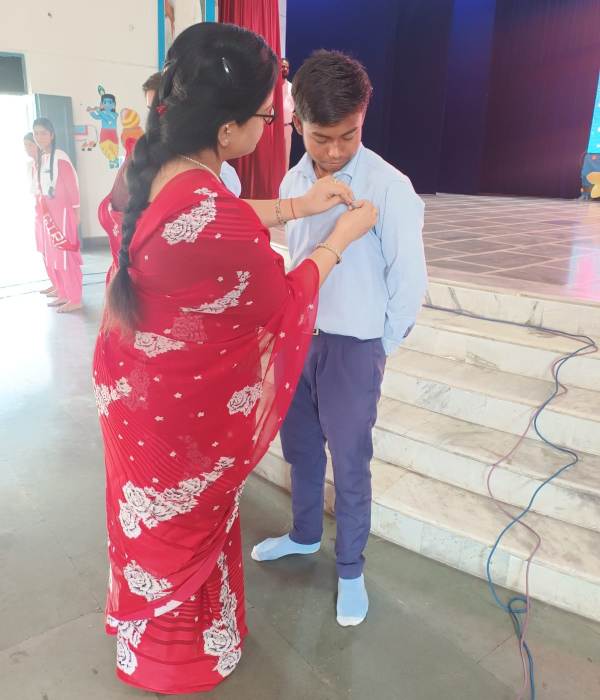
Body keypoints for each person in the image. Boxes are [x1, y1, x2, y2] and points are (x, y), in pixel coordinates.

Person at [93, 23, 377, 695]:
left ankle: (147, 640)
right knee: (186, 520)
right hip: (178, 414)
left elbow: (208, 213)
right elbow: (283, 300)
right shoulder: (210, 209)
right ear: (227, 131)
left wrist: (295, 206)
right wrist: (338, 237)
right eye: (266, 117)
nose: (270, 128)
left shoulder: (153, 163)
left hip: (131, 390)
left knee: (151, 525)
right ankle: (181, 659)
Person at [252, 50, 427, 628]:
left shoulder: (389, 187)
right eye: (320, 137)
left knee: (350, 462)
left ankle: (350, 568)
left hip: (354, 348)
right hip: (300, 340)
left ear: (363, 118)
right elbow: (297, 257)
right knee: (301, 449)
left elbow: (409, 281)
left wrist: (380, 347)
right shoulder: (293, 182)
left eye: (347, 136)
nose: (333, 152)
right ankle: (305, 534)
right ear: (296, 122)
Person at [33, 118, 83, 313]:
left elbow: (72, 186)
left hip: (62, 213)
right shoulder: (41, 158)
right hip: (48, 213)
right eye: (36, 133)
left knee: (65, 256)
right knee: (53, 256)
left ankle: (75, 298)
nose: (39, 137)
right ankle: (63, 292)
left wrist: (76, 212)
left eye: (43, 133)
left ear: (52, 135)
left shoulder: (60, 157)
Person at [24, 133, 53, 295]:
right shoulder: (31, 165)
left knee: (51, 249)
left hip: (48, 209)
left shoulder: (47, 162)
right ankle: (54, 282)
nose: (27, 149)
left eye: (30, 144)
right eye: (25, 146)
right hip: (38, 209)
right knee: (43, 249)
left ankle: (61, 284)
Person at [282, 58, 294, 170]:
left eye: (287, 67)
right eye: (283, 66)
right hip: (272, 128)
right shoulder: (272, 88)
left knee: (285, 158)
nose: (285, 69)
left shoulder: (291, 88)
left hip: (286, 127)